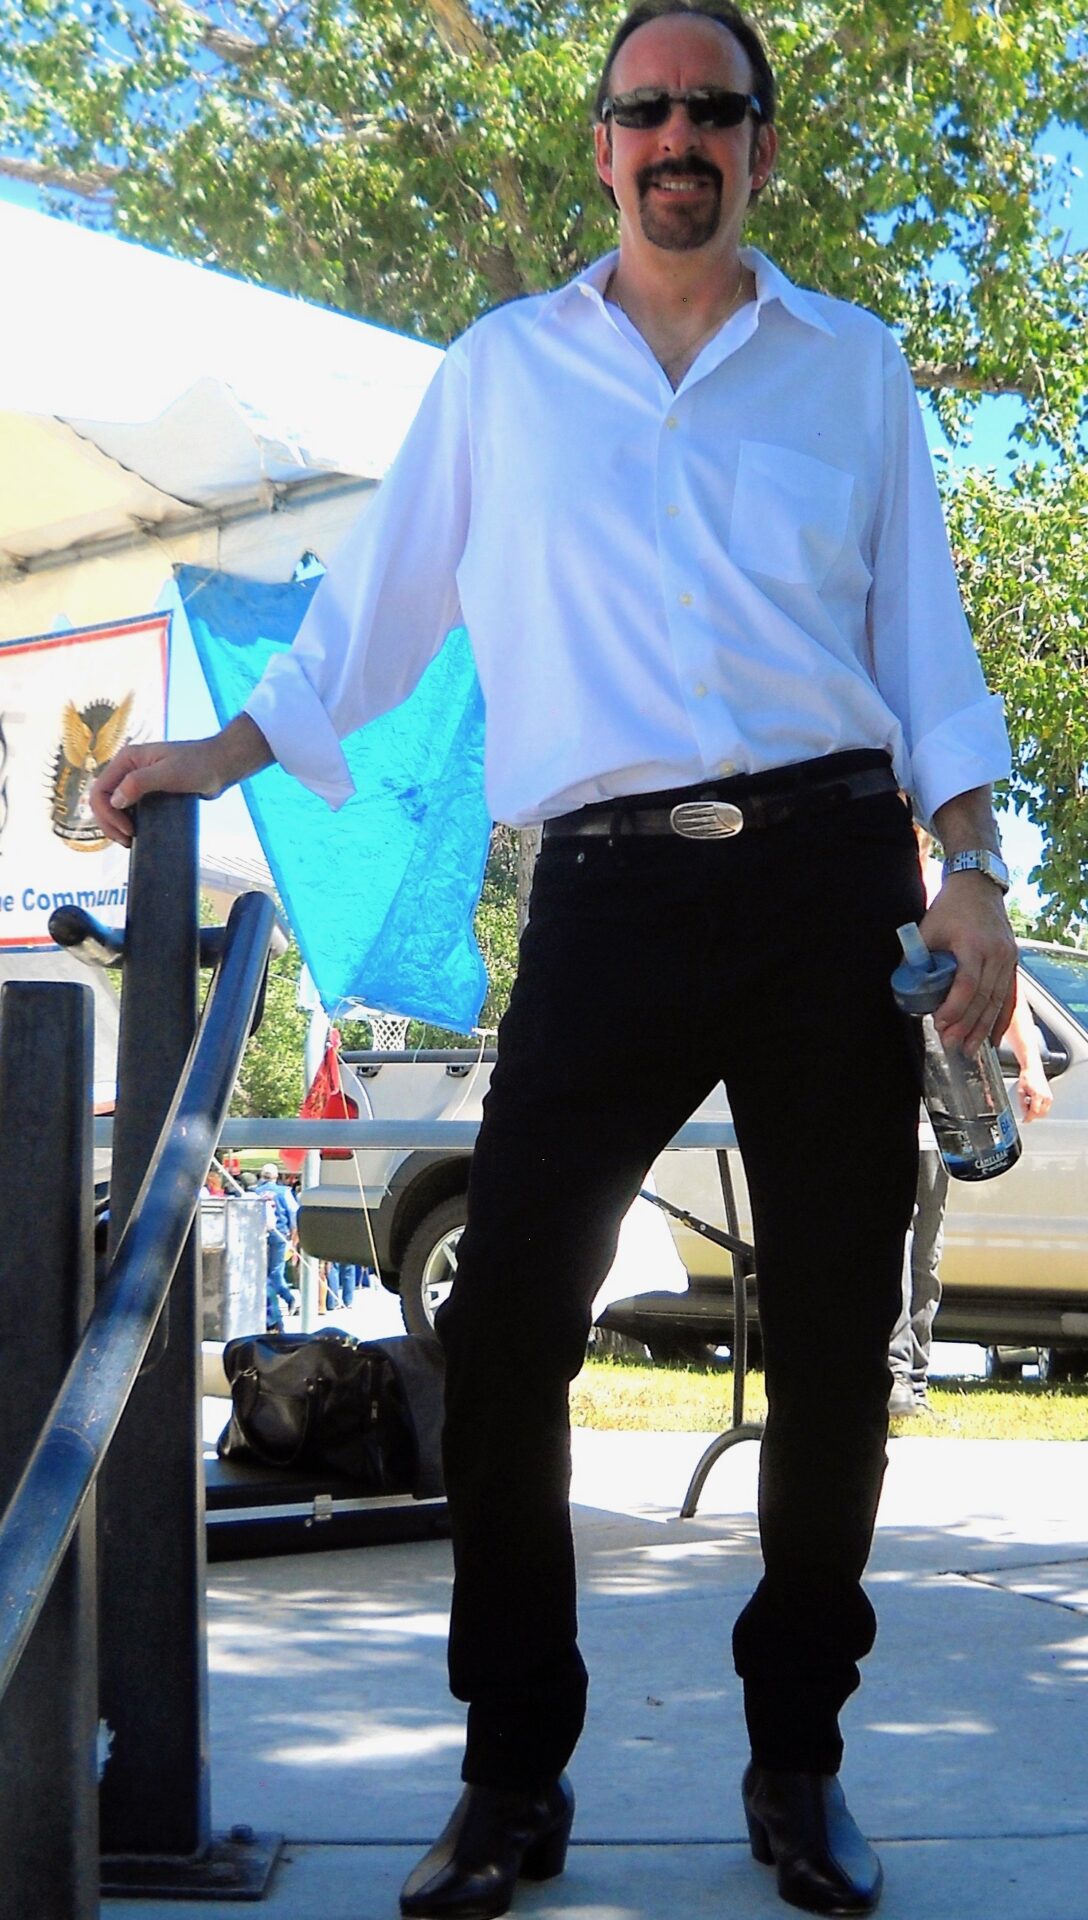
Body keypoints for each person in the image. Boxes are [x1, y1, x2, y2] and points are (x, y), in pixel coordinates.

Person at [90, 4, 1018, 1912]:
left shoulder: (849, 370)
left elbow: (922, 646)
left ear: (761, 148)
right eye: (645, 108)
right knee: (504, 1330)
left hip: (829, 877)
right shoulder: (499, 376)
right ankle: (513, 1777)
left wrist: (971, 869)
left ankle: (793, 1761)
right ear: (599, 146)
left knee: (838, 1348)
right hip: (602, 894)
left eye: (715, 110)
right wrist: (225, 749)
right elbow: (380, 609)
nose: (678, 135)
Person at [888, 837, 1053, 1416]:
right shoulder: (863, 896)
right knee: (886, 1241)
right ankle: (888, 1376)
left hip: (945, 1111)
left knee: (923, 1250)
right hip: (874, 1100)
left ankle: (911, 1379)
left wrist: (1030, 1066)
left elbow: (1003, 982)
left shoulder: (951, 898)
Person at [253, 1161, 295, 1334]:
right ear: (276, 1177)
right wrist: (293, 1238)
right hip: (279, 1234)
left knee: (264, 1275)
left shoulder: (255, 1192)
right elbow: (293, 1213)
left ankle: (278, 1307)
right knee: (275, 1272)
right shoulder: (284, 1192)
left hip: (259, 1236)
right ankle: (289, 1298)